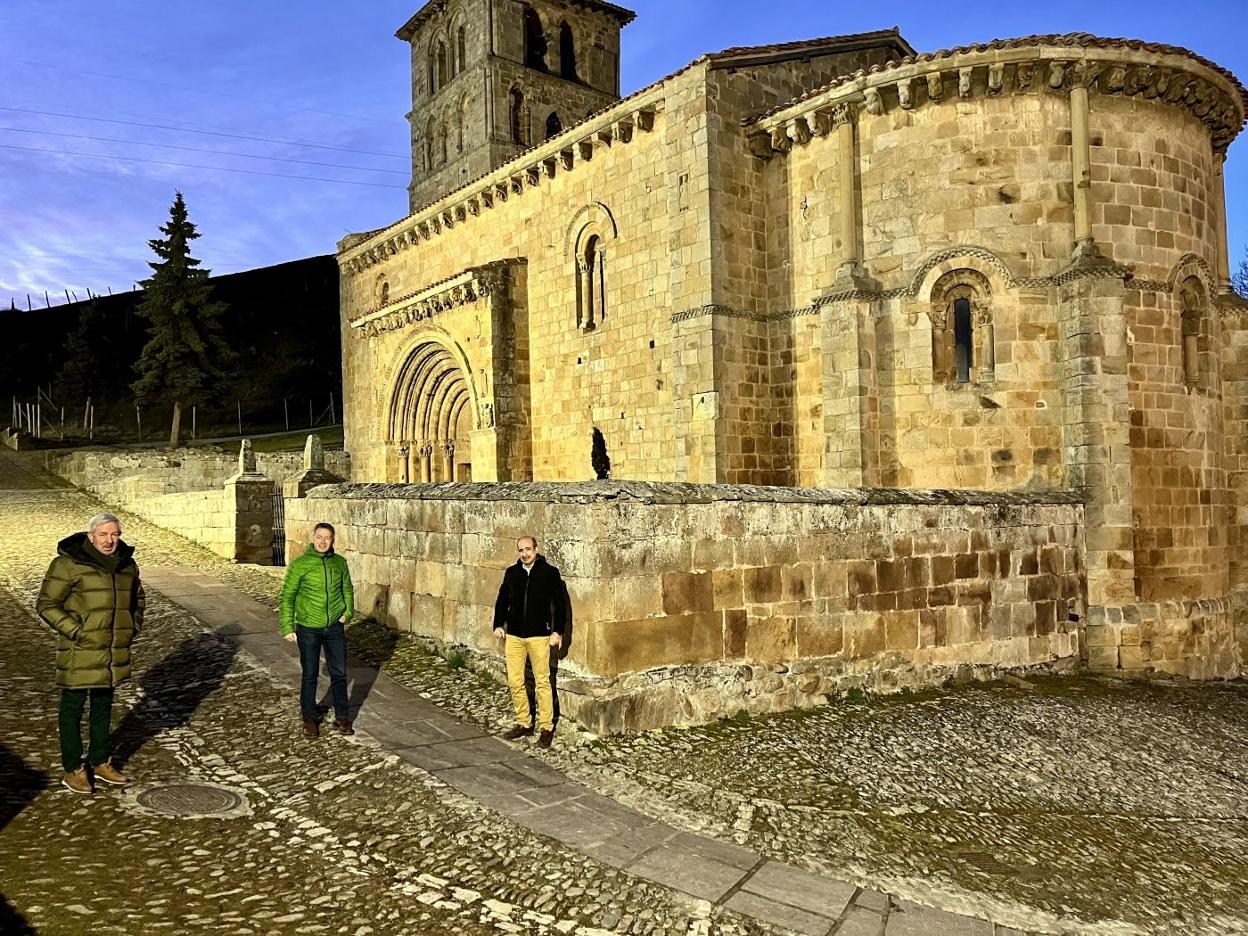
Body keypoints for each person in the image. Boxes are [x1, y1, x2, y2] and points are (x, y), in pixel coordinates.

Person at [36, 513, 145, 794]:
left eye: (115, 534)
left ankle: (100, 761)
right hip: (79, 650)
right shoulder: (68, 564)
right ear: (91, 536)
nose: (110, 540)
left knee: (103, 707)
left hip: (111, 650)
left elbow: (138, 599)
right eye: (104, 535)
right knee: (72, 709)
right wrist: (76, 631)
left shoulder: (126, 565)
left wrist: (131, 627)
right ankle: (73, 768)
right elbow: (47, 604)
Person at [280, 522, 355, 739]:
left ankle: (342, 717)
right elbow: (287, 596)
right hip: (308, 627)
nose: (323, 541)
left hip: (334, 627)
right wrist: (287, 625)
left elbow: (347, 588)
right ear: (313, 538)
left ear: (333, 540)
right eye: (320, 537)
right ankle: (309, 719)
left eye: (328, 538)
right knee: (310, 675)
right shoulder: (300, 565)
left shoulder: (339, 563)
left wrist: (347, 611)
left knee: (339, 674)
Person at [493, 535, 566, 748]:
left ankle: (546, 727)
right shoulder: (512, 573)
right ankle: (524, 722)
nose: (524, 554)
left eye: (528, 549)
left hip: (539, 635)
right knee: (515, 681)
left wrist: (557, 631)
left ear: (535, 550)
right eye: (521, 550)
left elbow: (560, 604)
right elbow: (502, 599)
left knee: (542, 681)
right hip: (515, 635)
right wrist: (498, 624)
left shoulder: (549, 573)